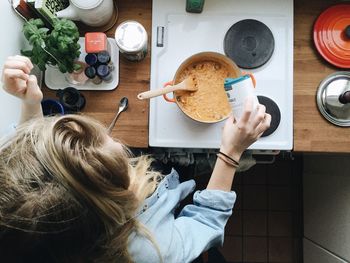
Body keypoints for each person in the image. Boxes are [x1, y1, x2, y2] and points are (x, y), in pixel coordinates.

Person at [0, 55, 271, 263]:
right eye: (120, 165)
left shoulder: (15, 195)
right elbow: (206, 220)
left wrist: (30, 105)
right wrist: (232, 153)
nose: (119, 144)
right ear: (115, 210)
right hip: (175, 214)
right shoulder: (152, 250)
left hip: (162, 180)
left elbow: (31, 163)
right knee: (252, 159)